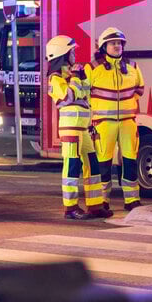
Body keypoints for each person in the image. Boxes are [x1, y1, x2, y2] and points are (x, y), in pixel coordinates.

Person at [46, 35, 112, 220]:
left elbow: (84, 92)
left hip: (83, 128)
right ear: (62, 54)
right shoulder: (55, 78)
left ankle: (95, 205)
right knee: (72, 167)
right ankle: (70, 208)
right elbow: (68, 97)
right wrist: (76, 78)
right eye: (71, 51)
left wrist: (78, 77)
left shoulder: (70, 75)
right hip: (70, 128)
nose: (74, 54)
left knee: (92, 166)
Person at [87, 27, 145, 211]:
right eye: (113, 43)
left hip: (128, 121)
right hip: (104, 123)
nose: (117, 46)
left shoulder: (132, 66)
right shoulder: (92, 67)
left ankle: (132, 200)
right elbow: (84, 91)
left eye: (119, 43)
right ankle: (103, 200)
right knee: (103, 163)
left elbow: (140, 89)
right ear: (104, 46)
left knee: (130, 161)